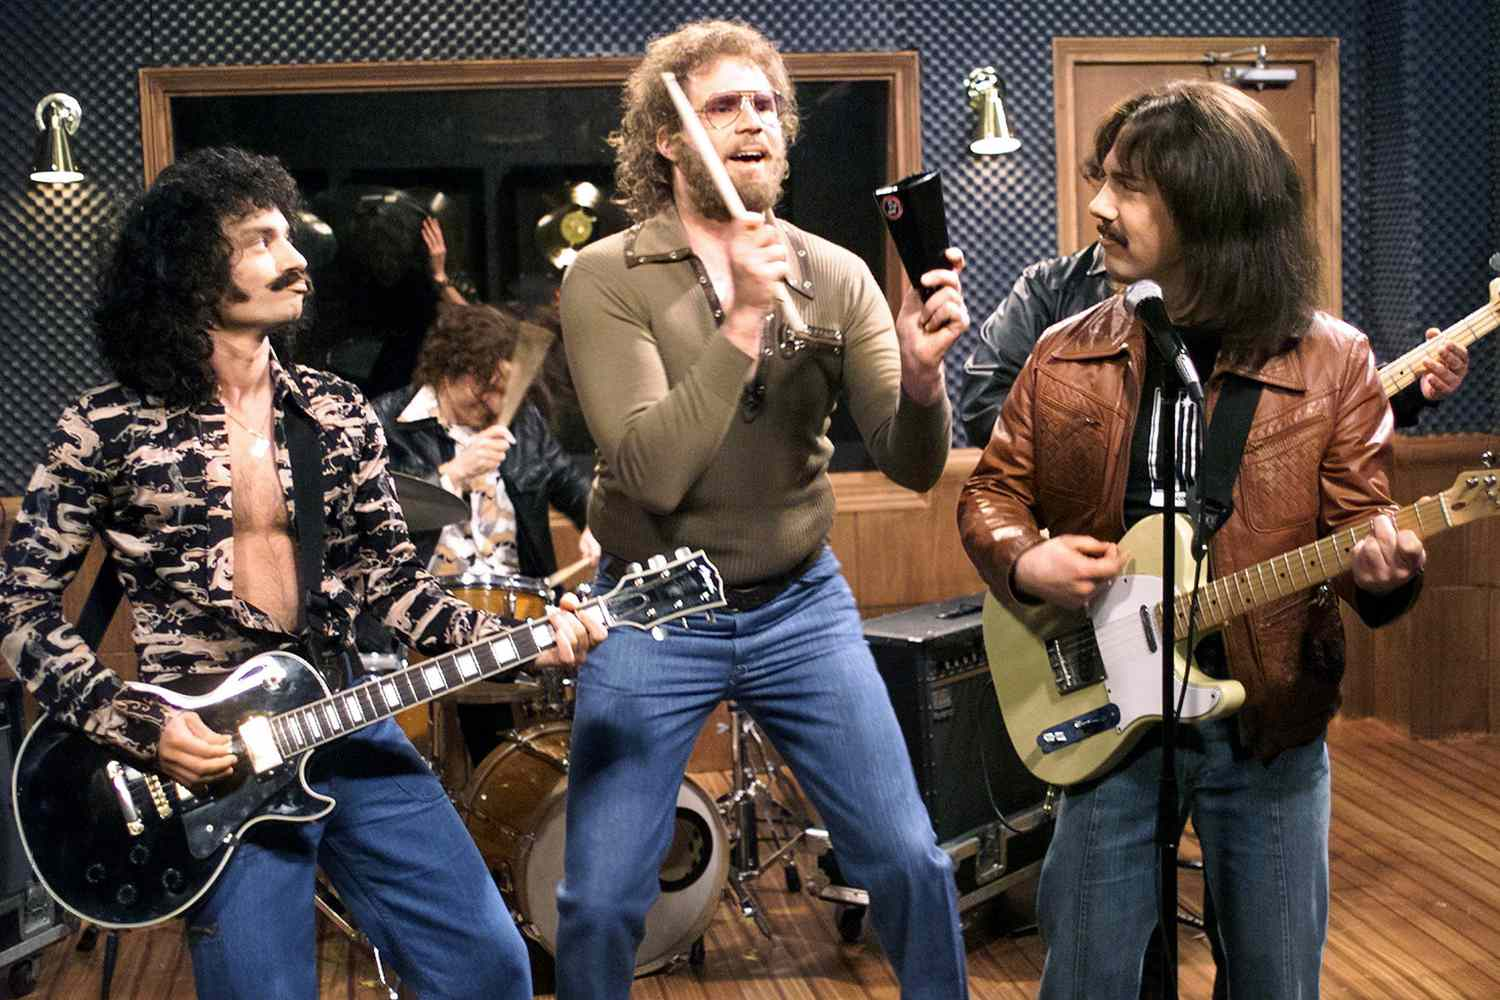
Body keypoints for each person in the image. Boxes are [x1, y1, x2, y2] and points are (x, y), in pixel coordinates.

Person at [0, 146, 604, 1000]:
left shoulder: (335, 411)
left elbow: (396, 588)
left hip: (344, 713)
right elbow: (20, 606)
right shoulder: (104, 427)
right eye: (261, 240)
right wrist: (137, 722)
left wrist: (527, 635)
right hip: (205, 760)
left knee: (488, 969)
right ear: (189, 269)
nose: (296, 260)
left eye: (289, 237)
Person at [957, 81, 1426, 999]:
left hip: (1268, 731)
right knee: (1085, 978)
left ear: (1211, 210)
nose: (1099, 206)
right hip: (1111, 724)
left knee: (1274, 981)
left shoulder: (1336, 361)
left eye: (1130, 187)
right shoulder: (1064, 349)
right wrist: (1024, 556)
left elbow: (1360, 529)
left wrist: (1383, 574)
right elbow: (991, 494)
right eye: (1103, 180)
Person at [554, 19, 971, 999]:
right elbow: (651, 473)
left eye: (766, 105)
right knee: (600, 901)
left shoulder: (837, 274)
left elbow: (914, 466)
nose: (753, 122)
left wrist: (921, 382)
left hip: (799, 606)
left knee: (910, 859)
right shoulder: (608, 275)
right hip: (650, 610)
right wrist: (743, 315)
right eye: (723, 106)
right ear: (669, 138)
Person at [372, 300, 600, 762]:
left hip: (518, 613)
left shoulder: (524, 425)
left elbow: (575, 492)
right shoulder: (387, 423)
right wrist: (453, 473)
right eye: (486, 387)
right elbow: (371, 521)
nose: (497, 404)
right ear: (450, 368)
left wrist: (598, 524)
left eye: (505, 390)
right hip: (427, 619)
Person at [959, 244, 1469, 448]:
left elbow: (1306, 408)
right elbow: (985, 408)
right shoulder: (1051, 288)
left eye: (1131, 187)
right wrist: (1096, 451)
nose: (1103, 205)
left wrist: (1411, 392)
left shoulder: (1241, 301)